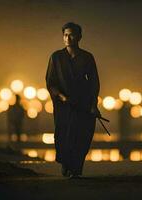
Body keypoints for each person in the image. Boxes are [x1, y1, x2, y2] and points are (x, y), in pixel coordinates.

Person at [46, 22, 101, 179]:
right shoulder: (56, 57)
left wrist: (93, 104)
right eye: (65, 35)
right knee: (64, 135)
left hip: (83, 104)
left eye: (71, 35)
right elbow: (51, 82)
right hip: (63, 105)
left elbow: (94, 83)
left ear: (79, 37)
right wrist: (61, 97)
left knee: (82, 135)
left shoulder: (87, 57)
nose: (68, 38)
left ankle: (76, 168)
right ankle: (66, 164)